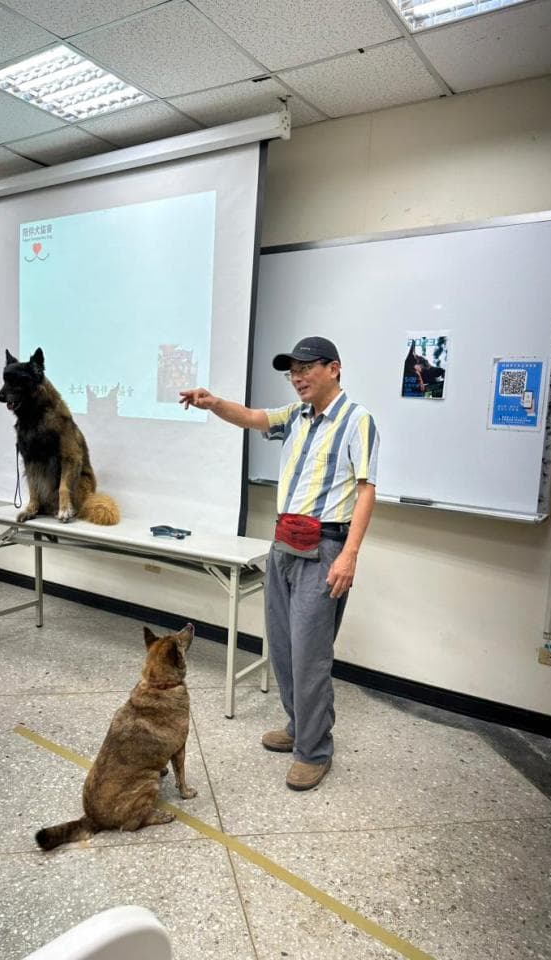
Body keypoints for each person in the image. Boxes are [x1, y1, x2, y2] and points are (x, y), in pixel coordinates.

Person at [180, 336, 378, 791]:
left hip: (326, 547)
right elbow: (251, 418)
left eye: (307, 368)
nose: (298, 378)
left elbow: (366, 489)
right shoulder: (296, 417)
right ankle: (299, 727)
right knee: (285, 648)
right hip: (283, 545)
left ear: (335, 369)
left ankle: (315, 750)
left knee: (311, 655)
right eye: (292, 371)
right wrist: (213, 404)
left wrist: (350, 555)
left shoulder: (357, 421)